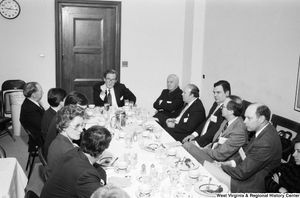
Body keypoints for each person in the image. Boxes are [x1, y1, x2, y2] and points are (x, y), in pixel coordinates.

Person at [206, 103, 282, 192]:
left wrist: (222, 167)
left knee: (208, 170)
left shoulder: (266, 142)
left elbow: (242, 173)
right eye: (245, 117)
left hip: (251, 185)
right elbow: (246, 154)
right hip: (247, 173)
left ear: (261, 119)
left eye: (249, 118)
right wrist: (230, 163)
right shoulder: (263, 130)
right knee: (209, 168)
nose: (245, 121)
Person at [40, 126, 112, 198]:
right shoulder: (86, 175)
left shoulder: (74, 152)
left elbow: (99, 170)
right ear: (103, 152)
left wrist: (101, 182)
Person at [184, 95, 247, 165]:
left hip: (217, 162)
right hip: (212, 151)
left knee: (187, 146)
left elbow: (220, 155)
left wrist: (203, 150)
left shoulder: (238, 132)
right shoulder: (227, 120)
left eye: (223, 106)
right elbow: (217, 140)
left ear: (231, 111)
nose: (221, 108)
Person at [183, 80, 231, 147]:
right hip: (202, 137)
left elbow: (214, 130)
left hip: (209, 143)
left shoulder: (226, 110)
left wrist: (197, 143)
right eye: (214, 92)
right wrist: (194, 135)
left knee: (186, 146)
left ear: (227, 93)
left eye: (218, 92)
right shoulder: (216, 104)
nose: (215, 95)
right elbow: (206, 121)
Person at [43, 91, 89, 158]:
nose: (83, 112)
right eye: (80, 109)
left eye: (85, 109)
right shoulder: (62, 121)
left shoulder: (64, 115)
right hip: (59, 157)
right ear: (70, 107)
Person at [45, 104, 85, 178]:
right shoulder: (69, 151)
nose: (81, 130)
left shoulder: (57, 140)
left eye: (82, 125)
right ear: (64, 126)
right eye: (77, 126)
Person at [20, 82, 45, 151]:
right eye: (41, 91)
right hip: (40, 137)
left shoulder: (32, 102)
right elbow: (43, 126)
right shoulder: (30, 109)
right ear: (34, 95)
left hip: (40, 131)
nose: (43, 93)